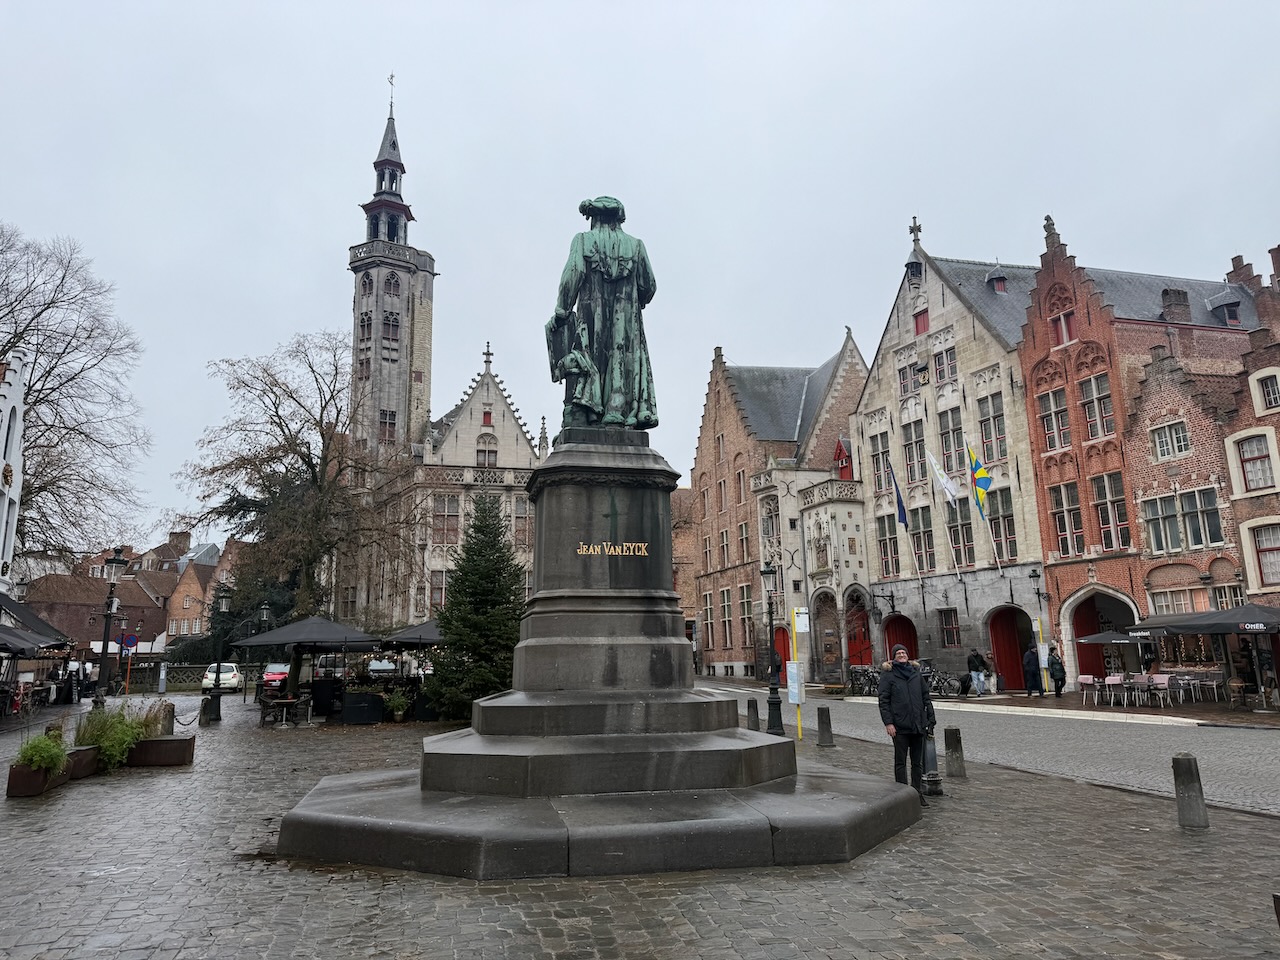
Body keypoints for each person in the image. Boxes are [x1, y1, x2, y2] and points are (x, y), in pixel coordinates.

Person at [547, 196, 658, 431]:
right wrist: (632, 299)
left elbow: (572, 275)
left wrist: (562, 311)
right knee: (621, 359)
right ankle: (617, 412)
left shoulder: (583, 241)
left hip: (591, 317)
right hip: (626, 321)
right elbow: (649, 286)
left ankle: (591, 413)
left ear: (594, 218)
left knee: (590, 361)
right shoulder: (636, 246)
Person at [878, 643, 936, 807]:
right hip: (899, 725)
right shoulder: (888, 675)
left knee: (917, 763)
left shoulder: (915, 674)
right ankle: (902, 794)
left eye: (904, 652)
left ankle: (917, 792)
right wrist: (888, 723)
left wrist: (930, 719)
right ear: (894, 657)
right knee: (900, 762)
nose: (902, 655)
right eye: (898, 653)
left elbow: (925, 697)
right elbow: (883, 701)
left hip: (917, 724)